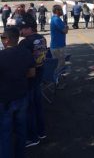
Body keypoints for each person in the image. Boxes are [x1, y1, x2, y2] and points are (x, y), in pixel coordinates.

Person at [0, 26, 35, 158]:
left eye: (2, 37)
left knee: (5, 133)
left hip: (5, 100)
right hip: (21, 96)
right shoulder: (25, 52)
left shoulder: (1, 56)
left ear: (7, 40)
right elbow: (32, 73)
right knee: (21, 130)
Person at [19, 13, 47, 147]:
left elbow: (20, 62)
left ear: (29, 28)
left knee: (29, 108)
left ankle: (32, 136)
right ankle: (41, 131)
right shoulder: (42, 38)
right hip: (40, 74)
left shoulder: (25, 42)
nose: (21, 31)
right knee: (38, 105)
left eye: (23, 28)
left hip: (29, 78)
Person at [50, 5, 69, 74]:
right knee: (59, 65)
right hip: (58, 46)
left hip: (57, 45)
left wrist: (65, 27)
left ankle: (58, 78)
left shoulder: (56, 18)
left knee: (59, 64)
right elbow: (65, 30)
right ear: (57, 11)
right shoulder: (56, 19)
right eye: (60, 10)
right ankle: (57, 80)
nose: (62, 11)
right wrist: (66, 27)